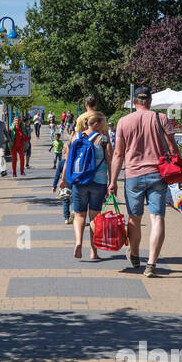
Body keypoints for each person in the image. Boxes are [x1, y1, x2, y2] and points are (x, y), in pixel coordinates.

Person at [108, 87, 181, 278]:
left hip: (133, 176)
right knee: (157, 218)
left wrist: (113, 181)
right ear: (150, 102)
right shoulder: (161, 118)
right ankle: (151, 264)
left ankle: (134, 253)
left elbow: (118, 154)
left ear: (134, 102)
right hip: (158, 174)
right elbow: (174, 149)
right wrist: (181, 174)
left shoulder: (123, 122)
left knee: (134, 218)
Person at [60, 110, 113, 260]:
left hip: (78, 180)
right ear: (96, 124)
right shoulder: (102, 139)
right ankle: (93, 252)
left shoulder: (75, 137)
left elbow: (68, 161)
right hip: (99, 182)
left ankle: (78, 242)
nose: (105, 126)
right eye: (103, 123)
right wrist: (112, 182)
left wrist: (64, 179)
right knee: (94, 217)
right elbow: (110, 161)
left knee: (79, 215)